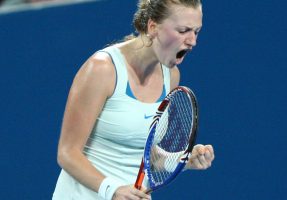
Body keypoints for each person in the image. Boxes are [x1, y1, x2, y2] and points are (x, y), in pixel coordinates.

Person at [52, 0, 215, 199]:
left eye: (196, 31)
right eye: (183, 31)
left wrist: (183, 160)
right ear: (153, 27)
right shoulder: (102, 69)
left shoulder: (171, 76)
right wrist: (112, 189)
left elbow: (147, 154)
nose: (192, 41)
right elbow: (67, 153)